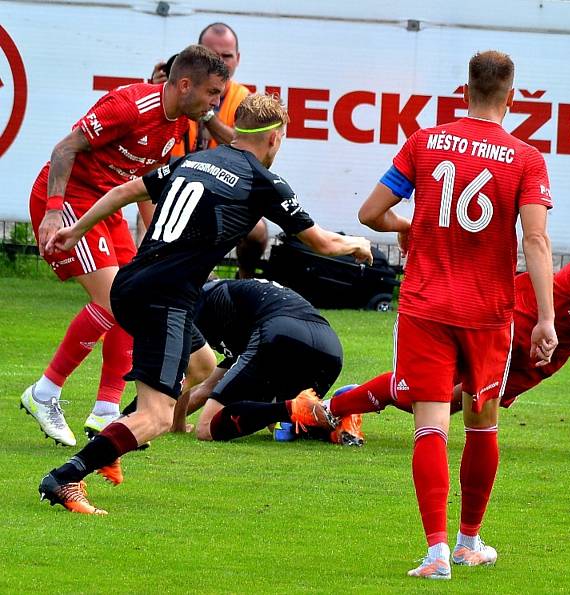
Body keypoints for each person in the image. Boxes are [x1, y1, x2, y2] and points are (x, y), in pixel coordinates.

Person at [38, 93, 373, 515]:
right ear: (273, 138)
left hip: (133, 283)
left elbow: (125, 190)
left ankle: (113, 443)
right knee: (157, 417)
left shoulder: (192, 160)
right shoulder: (262, 180)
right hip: (166, 297)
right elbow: (322, 241)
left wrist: (76, 231)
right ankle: (67, 478)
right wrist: (358, 244)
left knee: (199, 365)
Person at [357, 50, 558, 579]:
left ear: (462, 91)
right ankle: (470, 541)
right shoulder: (526, 158)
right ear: (511, 98)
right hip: (489, 312)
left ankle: (436, 552)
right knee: (482, 424)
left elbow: (369, 213)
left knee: (430, 426)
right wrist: (544, 318)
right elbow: (535, 238)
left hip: (426, 304)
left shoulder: (425, 142)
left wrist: (406, 226)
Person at [21, 45, 229, 447]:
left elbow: (144, 187)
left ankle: (105, 410)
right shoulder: (131, 106)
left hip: (105, 206)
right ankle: (44, 392)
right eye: (211, 94)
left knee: (132, 299)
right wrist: (52, 211)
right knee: (116, 301)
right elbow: (65, 149)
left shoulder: (175, 123)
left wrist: (156, 243)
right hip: (72, 200)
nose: (214, 103)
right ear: (185, 85)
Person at [326, 221, 570, 445]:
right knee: (422, 397)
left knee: (452, 404)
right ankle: (330, 409)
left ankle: (351, 403)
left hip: (544, 356)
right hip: (516, 321)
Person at [151, 22, 268, 279]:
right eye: (212, 56)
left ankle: (244, 280)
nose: (220, 63)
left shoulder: (245, 99)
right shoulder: (179, 90)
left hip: (223, 189)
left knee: (258, 232)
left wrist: (207, 116)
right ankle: (152, 273)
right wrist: (159, 92)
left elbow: (246, 146)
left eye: (226, 56)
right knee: (147, 210)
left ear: (237, 59)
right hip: (174, 183)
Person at [174, 278, 344, 443]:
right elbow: (206, 389)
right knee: (279, 424)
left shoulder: (199, 298)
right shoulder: (239, 305)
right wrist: (161, 416)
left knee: (206, 428)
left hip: (280, 332)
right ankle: (341, 418)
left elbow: (186, 365)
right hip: (329, 348)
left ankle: (292, 407)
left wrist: (177, 426)